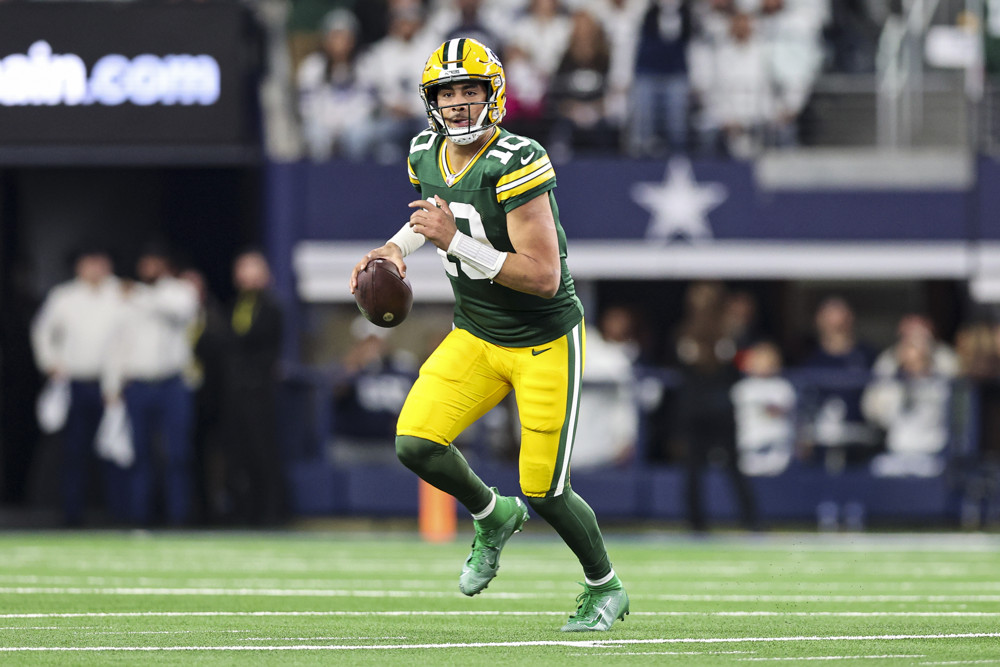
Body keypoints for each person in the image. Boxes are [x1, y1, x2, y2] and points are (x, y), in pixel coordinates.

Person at [348, 37, 628, 632]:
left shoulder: (519, 158)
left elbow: (544, 277)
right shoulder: (425, 150)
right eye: (447, 92)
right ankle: (491, 514)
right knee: (416, 443)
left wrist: (456, 243)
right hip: (476, 332)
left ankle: (605, 586)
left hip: (544, 339)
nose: (457, 103)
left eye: (469, 89)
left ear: (492, 94)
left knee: (546, 490)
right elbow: (432, 214)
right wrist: (394, 249)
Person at [102, 245, 199, 526]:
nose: (149, 268)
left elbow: (179, 312)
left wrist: (139, 296)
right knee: (138, 455)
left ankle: (179, 517)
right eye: (145, 263)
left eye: (155, 262)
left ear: (165, 264)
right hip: (138, 384)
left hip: (172, 383)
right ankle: (138, 517)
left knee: (177, 454)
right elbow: (117, 344)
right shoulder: (127, 299)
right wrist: (112, 384)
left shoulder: (179, 290)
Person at [30, 246, 126, 525]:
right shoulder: (64, 296)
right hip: (75, 383)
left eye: (100, 262)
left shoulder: (121, 293)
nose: (95, 269)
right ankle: (72, 515)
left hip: (112, 386)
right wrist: (50, 362)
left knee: (115, 451)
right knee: (74, 452)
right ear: (79, 267)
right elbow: (42, 331)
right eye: (89, 263)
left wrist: (123, 376)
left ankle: (120, 515)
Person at [220, 250, 287, 525]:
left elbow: (267, 348)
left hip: (258, 391)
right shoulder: (232, 305)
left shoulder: (272, 307)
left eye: (251, 269)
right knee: (238, 453)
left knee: (263, 452)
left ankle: (271, 512)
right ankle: (242, 511)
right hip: (234, 392)